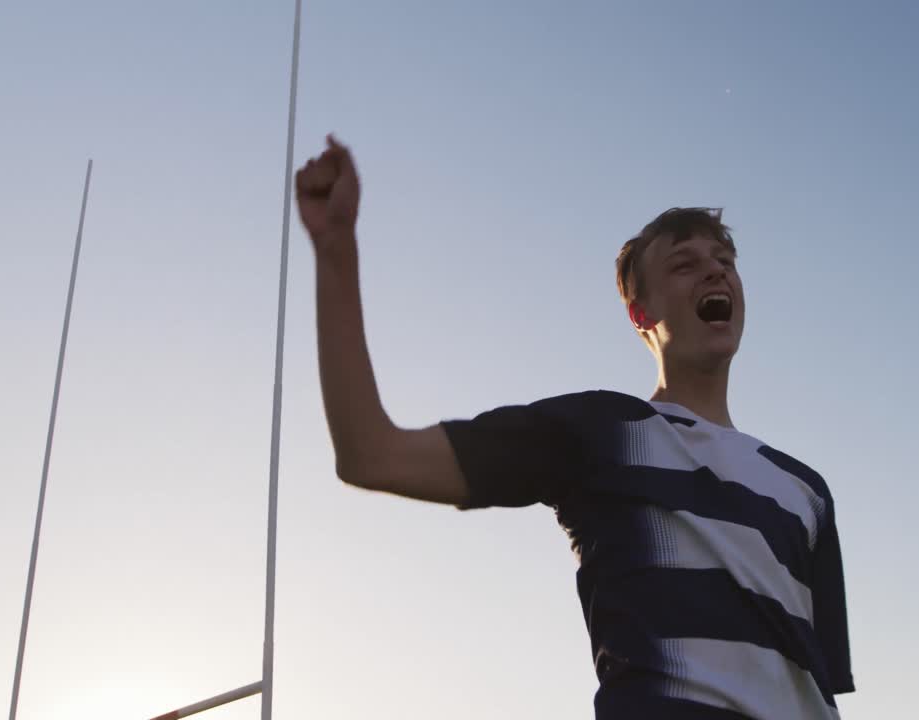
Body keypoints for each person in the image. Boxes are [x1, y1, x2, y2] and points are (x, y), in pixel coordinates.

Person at [295, 135, 855, 719]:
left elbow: (819, 688)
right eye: (685, 263)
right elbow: (371, 455)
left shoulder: (805, 492)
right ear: (642, 313)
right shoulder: (601, 431)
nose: (715, 272)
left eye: (725, 262)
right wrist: (337, 252)